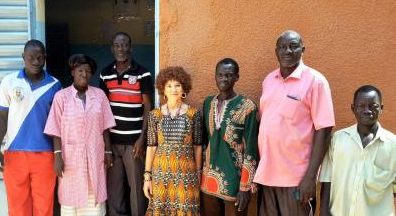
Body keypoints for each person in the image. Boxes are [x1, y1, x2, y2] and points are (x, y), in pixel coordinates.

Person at [254, 30, 335, 216]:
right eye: (282, 47)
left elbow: (325, 129)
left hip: (296, 178)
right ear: (276, 52)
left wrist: (310, 177)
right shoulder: (269, 80)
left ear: (303, 50)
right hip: (267, 175)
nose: (287, 51)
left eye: (293, 46)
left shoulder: (315, 81)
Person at [0, 39, 62, 216]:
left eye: (40, 57)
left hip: (45, 155)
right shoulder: (9, 82)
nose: (36, 61)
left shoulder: (55, 85)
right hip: (14, 154)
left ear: (45, 58)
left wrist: (58, 155)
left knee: (44, 206)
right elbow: (1, 117)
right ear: (23, 57)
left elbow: (59, 124)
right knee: (17, 207)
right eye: (31, 57)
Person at [44, 54, 116, 216]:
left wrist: (108, 151)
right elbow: (55, 128)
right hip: (70, 158)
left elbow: (105, 126)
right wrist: (57, 156)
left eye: (88, 71)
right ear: (72, 72)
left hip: (94, 154)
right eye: (80, 70)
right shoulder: (61, 97)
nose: (84, 74)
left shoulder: (99, 95)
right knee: (71, 204)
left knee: (94, 204)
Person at [319, 85, 396, 216]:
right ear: (353, 108)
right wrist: (324, 211)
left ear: (381, 108)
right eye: (362, 106)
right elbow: (327, 178)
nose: (367, 110)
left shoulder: (393, 145)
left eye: (373, 106)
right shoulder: (338, 139)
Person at [99, 32, 153, 216]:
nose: (121, 49)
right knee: (115, 191)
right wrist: (106, 147)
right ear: (112, 48)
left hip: (133, 143)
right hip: (113, 143)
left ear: (131, 48)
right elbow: (103, 109)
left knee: (137, 190)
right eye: (117, 45)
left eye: (124, 45)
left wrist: (142, 138)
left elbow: (148, 107)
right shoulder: (105, 74)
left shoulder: (142, 72)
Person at [200, 58, 259, 216]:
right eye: (220, 75)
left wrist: (245, 187)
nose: (224, 79)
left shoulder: (248, 107)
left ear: (236, 77)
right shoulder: (207, 103)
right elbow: (205, 141)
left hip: (235, 180)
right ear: (215, 76)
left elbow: (251, 149)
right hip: (208, 178)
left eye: (228, 75)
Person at [143, 66, 203, 215]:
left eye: (177, 85)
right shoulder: (155, 115)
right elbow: (151, 147)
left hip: (186, 174)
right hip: (160, 175)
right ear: (163, 89)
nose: (173, 89)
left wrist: (198, 173)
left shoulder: (193, 114)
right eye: (169, 85)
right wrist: (147, 177)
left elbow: (197, 146)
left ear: (184, 88)